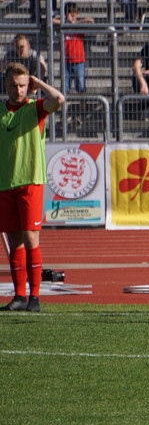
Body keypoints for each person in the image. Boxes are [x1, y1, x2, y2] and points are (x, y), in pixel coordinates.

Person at [1, 63, 65, 312]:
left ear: (29, 85)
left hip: (30, 182)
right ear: (6, 85)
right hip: (5, 183)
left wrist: (39, 83)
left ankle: (35, 297)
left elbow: (58, 99)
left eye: (23, 85)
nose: (18, 90)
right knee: (13, 241)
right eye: (13, 85)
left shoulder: (36, 108)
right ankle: (19, 296)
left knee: (30, 238)